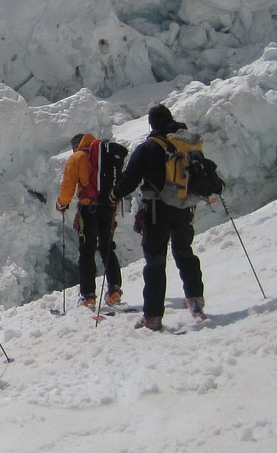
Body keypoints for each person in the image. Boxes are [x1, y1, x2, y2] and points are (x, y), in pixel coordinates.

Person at [111, 104, 206, 331]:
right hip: (183, 207)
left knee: (155, 261)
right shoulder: (185, 145)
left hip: (156, 211)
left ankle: (153, 316)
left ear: (151, 123)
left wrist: (114, 193)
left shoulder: (149, 148)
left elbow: (130, 180)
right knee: (185, 253)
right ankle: (196, 300)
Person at [56, 133, 124, 310]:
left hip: (89, 209)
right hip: (108, 208)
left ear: (76, 145)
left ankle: (88, 297)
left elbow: (68, 184)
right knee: (107, 247)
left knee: (87, 251)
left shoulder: (78, 157)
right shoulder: (107, 156)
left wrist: (62, 204)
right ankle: (114, 291)